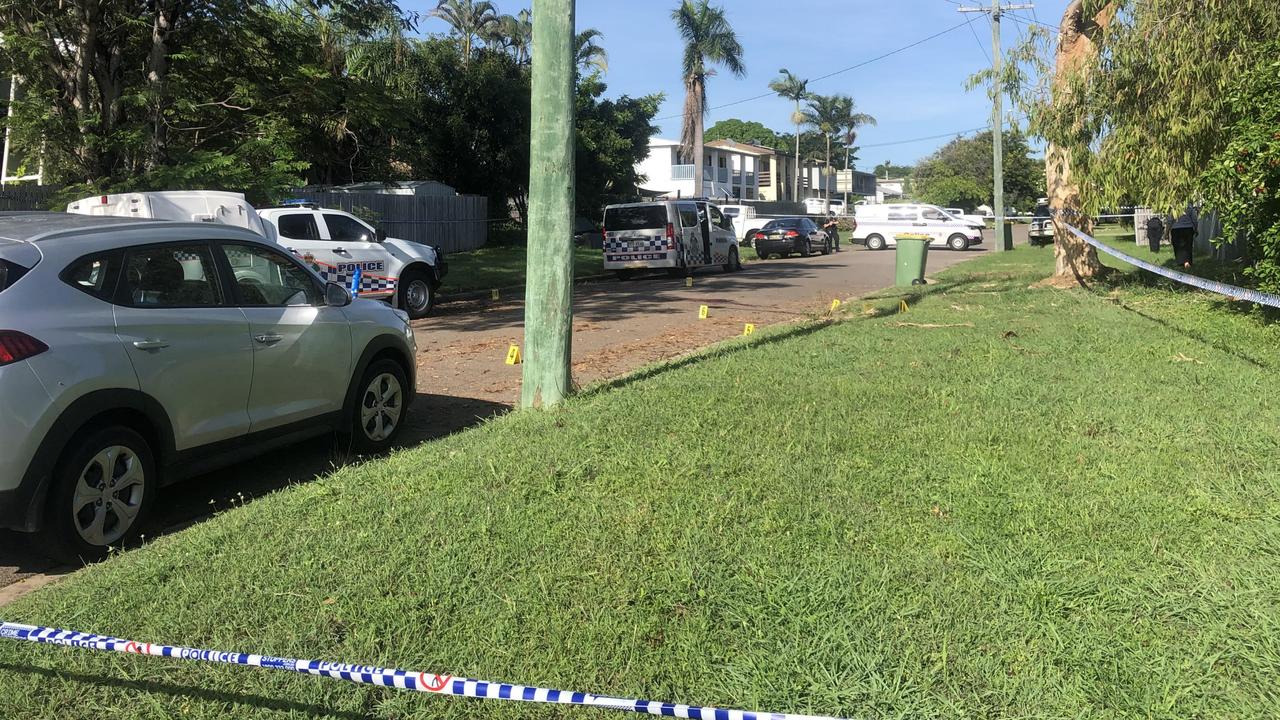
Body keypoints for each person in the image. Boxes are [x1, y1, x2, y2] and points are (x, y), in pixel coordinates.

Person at [1170, 204, 1199, 270]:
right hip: (1188, 228)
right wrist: (1196, 228)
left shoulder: (1173, 207)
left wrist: (1167, 231)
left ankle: (1181, 263)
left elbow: (1170, 220)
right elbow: (1194, 219)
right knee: (1188, 246)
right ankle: (1187, 262)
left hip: (1176, 228)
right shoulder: (1189, 206)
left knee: (1178, 247)